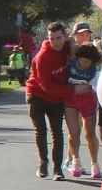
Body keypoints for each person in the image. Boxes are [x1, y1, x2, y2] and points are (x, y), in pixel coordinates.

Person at [25, 21, 75, 181]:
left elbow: (78, 47)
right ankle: (43, 162)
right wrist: (73, 91)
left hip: (56, 98)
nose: (55, 41)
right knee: (41, 130)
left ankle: (57, 169)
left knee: (57, 132)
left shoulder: (67, 47)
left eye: (59, 37)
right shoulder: (42, 57)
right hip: (37, 95)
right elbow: (47, 87)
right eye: (52, 38)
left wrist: (72, 46)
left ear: (64, 37)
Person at [66, 43, 102, 178]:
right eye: (81, 61)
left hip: (88, 100)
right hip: (71, 99)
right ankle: (75, 160)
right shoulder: (72, 61)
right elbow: (70, 41)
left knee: (89, 134)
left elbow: (97, 87)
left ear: (92, 62)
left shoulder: (94, 70)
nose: (84, 64)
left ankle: (94, 163)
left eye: (87, 62)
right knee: (73, 133)